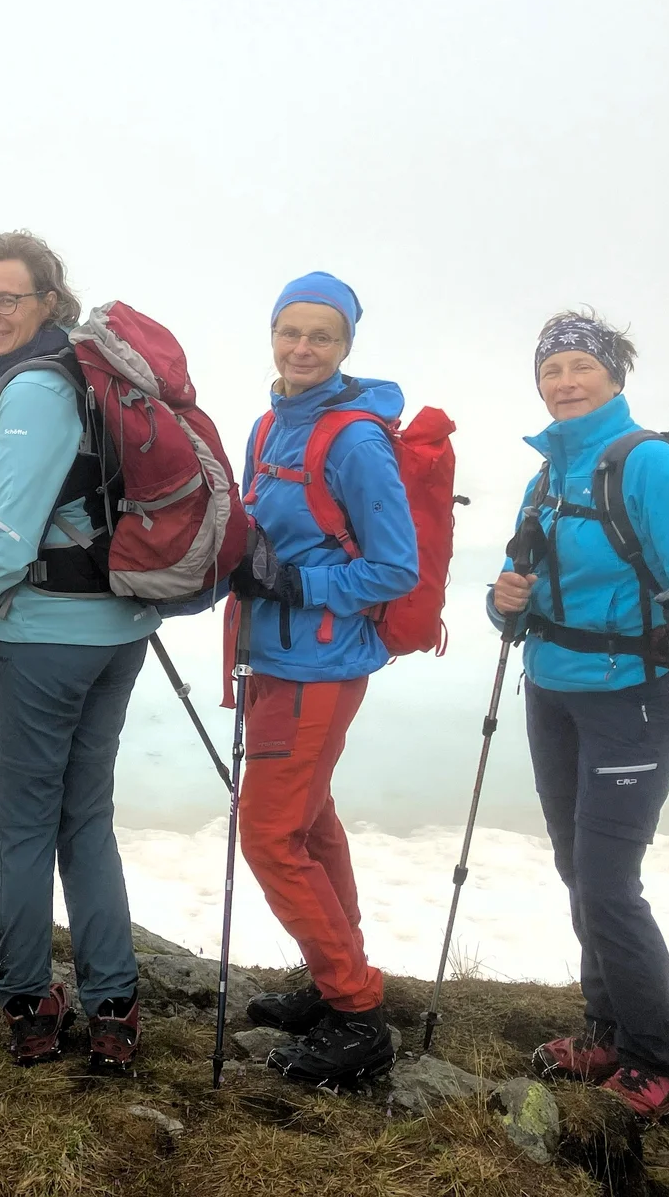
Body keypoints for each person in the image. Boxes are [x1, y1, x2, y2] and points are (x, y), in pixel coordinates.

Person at [489, 310, 669, 1121]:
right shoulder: (545, 477)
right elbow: (520, 591)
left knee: (607, 880)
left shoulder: (649, 463)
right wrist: (504, 602)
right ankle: (605, 1028)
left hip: (634, 696)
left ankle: (653, 1058)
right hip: (552, 688)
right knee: (576, 867)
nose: (564, 382)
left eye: (579, 367)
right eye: (551, 370)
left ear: (614, 377)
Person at [0, 230, 159, 1070]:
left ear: (49, 302)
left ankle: (31, 1001)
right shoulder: (86, 374)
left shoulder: (33, 388)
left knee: (25, 824)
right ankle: (113, 1007)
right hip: (119, 628)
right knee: (87, 817)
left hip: (42, 635)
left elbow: (7, 540)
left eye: (10, 298)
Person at [230, 272, 419, 1087]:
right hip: (276, 659)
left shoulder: (354, 442)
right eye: (290, 332)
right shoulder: (268, 425)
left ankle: (356, 1013)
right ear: (273, 334)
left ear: (346, 346)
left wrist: (297, 584)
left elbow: (396, 568)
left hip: (319, 664)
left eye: (322, 336)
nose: (302, 348)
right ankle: (336, 974)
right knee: (308, 827)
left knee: (270, 837)